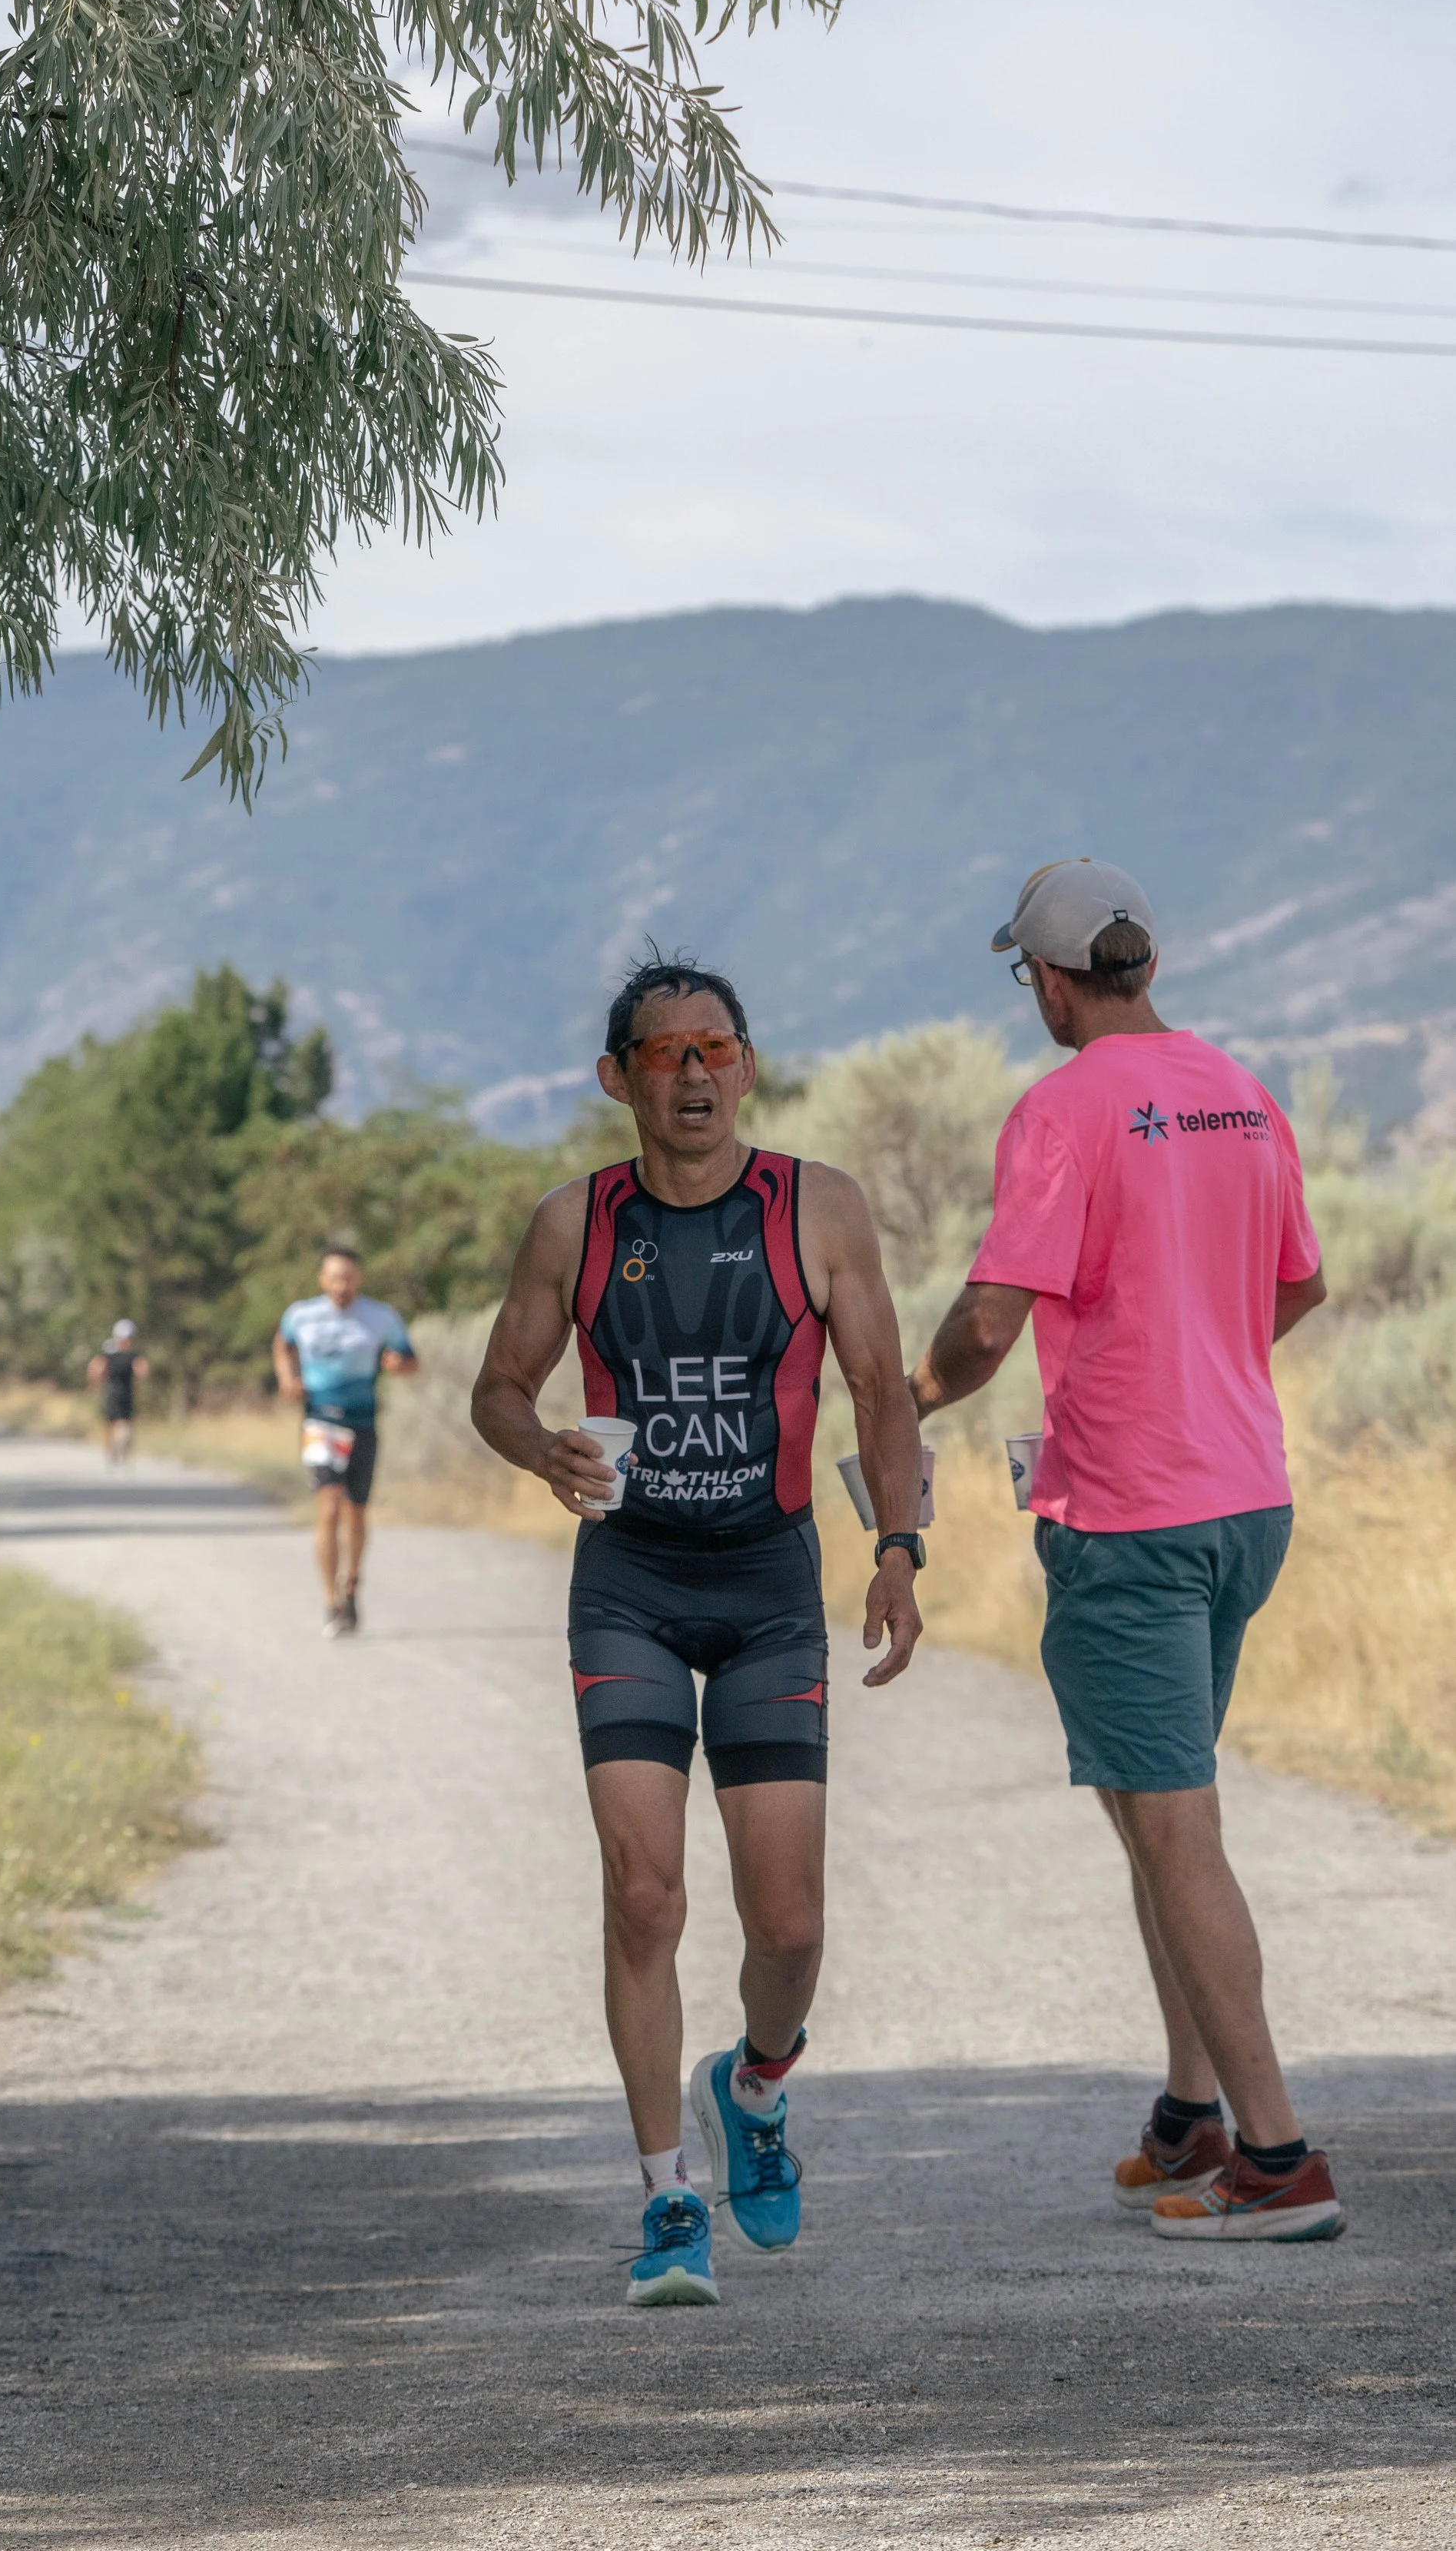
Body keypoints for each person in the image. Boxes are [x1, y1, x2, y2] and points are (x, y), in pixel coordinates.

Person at [472, 953, 924, 2306]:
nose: (693, 1075)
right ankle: (671, 2196)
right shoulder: (576, 1225)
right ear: (618, 1078)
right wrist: (542, 1450)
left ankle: (757, 2084)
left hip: (771, 1587)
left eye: (715, 1050)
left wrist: (899, 1546)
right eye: (664, 1053)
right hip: (630, 1586)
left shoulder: (816, 1209)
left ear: (746, 1066)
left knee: (787, 1924)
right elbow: (498, 1385)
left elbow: (884, 1388)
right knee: (644, 1891)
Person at [910, 859, 1342, 2244]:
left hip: (1136, 1518)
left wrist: (899, 1401)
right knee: (1161, 1821)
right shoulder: (1238, 1087)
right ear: (1141, 960)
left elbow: (986, 1324)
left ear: (1044, 979)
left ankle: (1278, 2161)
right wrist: (1198, 1367)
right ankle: (1190, 2117)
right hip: (1243, 1503)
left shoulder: (1062, 1106)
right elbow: (1304, 1279)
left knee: (1173, 1830)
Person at [274, 1252, 418, 1640]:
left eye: (349, 1278)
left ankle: (352, 1582)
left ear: (359, 1278)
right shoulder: (301, 1315)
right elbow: (281, 1346)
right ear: (322, 1279)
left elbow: (410, 1361)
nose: (342, 1286)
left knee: (356, 1513)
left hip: (363, 1424)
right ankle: (330, 1601)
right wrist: (288, 1378)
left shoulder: (381, 1317)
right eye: (335, 1278)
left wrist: (396, 1364)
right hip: (320, 1422)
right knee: (329, 1509)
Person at [87, 1321, 147, 1464]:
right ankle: (117, 1452)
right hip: (121, 1393)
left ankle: (114, 1453)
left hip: (114, 1393)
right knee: (120, 1423)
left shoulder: (110, 1355)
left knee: (113, 1423)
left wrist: (93, 1383)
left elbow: (96, 1369)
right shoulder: (130, 1356)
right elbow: (143, 1370)